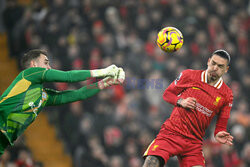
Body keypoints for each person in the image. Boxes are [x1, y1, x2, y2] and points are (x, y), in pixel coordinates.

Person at [0, 49, 125, 156]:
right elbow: (68, 76)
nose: (49, 67)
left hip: (4, 141)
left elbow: (79, 94)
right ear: (33, 64)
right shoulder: (28, 74)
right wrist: (103, 72)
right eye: (46, 63)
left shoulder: (43, 97)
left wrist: (105, 82)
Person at [143, 49, 234, 167]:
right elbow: (167, 94)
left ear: (226, 69)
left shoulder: (227, 94)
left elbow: (221, 124)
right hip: (172, 133)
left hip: (194, 142)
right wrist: (181, 101)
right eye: (213, 63)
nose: (215, 68)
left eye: (220, 66)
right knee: (151, 162)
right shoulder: (189, 75)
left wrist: (218, 134)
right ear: (208, 61)